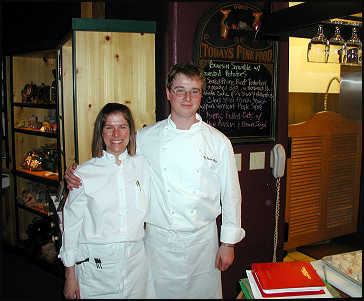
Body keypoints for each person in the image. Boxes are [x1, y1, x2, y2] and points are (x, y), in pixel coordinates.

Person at [65, 63, 245, 299]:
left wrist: (228, 243)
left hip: (203, 243)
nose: (188, 98)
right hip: (159, 244)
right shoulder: (146, 137)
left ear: (202, 94)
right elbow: (114, 163)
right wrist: (77, 175)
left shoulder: (218, 142)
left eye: (195, 91)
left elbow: (231, 194)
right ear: (169, 94)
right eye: (180, 90)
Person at [59, 103, 154, 299]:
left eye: (122, 127)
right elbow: (71, 224)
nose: (116, 134)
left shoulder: (144, 166)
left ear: (131, 131)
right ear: (101, 133)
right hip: (97, 268)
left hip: (136, 264)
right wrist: (70, 275)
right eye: (109, 127)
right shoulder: (84, 174)